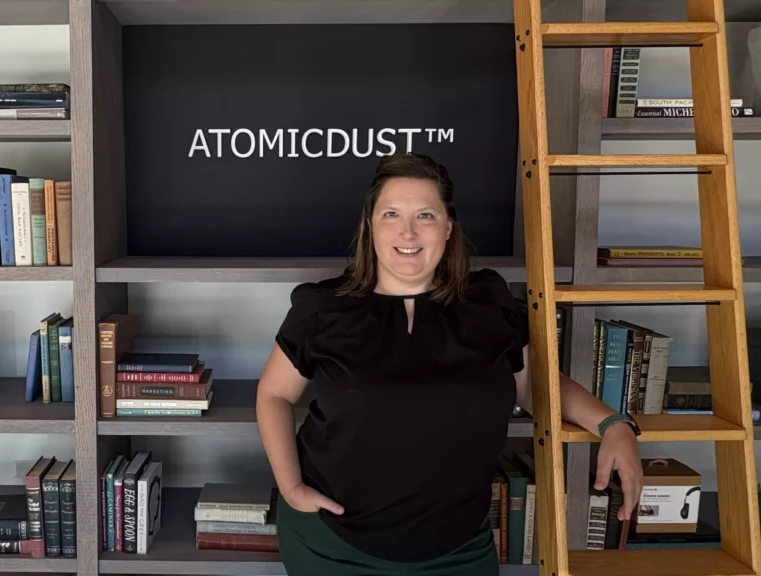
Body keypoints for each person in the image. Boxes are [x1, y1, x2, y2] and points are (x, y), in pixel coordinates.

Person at [255, 152, 643, 575]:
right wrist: (291, 488)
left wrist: (612, 424)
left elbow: (536, 387)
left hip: (460, 546)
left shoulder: (488, 302)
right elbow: (273, 394)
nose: (408, 231)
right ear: (370, 227)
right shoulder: (323, 308)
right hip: (333, 544)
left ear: (448, 227)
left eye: (425, 214)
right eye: (391, 214)